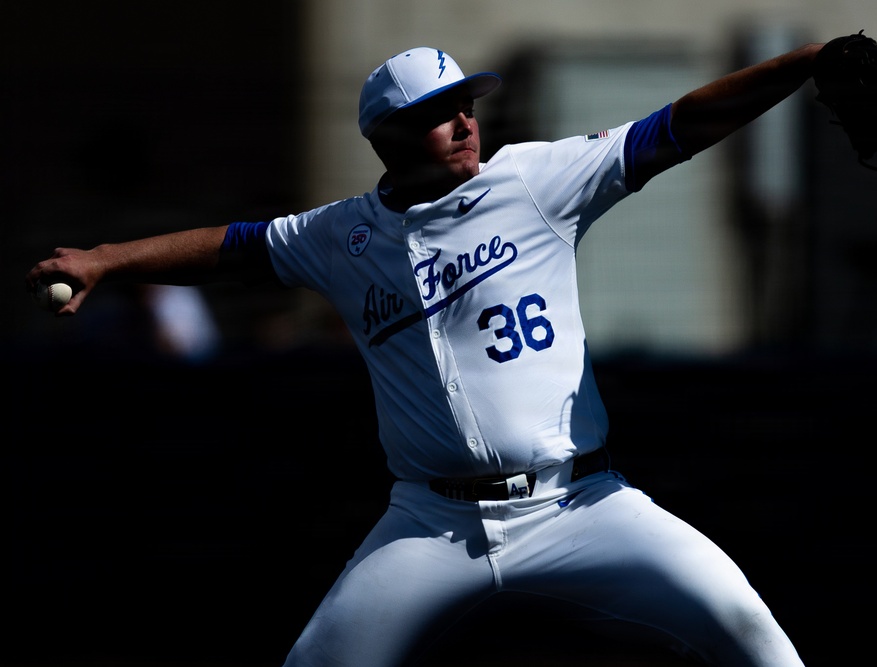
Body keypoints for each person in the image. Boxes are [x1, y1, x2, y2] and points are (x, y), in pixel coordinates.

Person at [27, 42, 826, 666]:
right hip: (431, 521)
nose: (466, 120)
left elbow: (680, 124)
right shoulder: (338, 234)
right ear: (389, 137)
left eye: (466, 103)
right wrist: (106, 257)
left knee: (744, 621)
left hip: (579, 504)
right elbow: (230, 246)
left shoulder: (537, 180)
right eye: (441, 111)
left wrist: (809, 62)